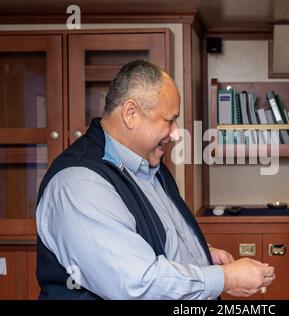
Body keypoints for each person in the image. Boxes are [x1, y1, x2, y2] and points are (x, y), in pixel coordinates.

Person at [36, 59, 275, 299]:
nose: (175, 133)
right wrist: (225, 278)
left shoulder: (150, 164)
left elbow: (155, 239)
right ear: (131, 113)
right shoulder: (80, 185)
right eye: (169, 120)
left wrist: (202, 255)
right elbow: (138, 284)